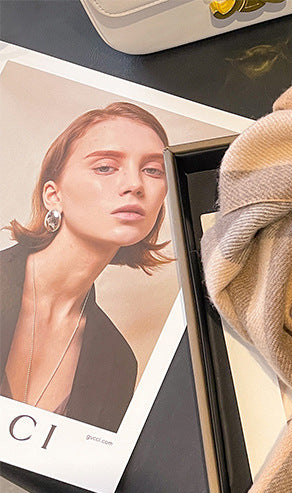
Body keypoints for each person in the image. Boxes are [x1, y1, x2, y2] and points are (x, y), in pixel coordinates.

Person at [1, 102, 170, 433]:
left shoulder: (119, 363)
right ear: (54, 195)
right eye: (105, 167)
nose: (135, 184)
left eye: (153, 170)